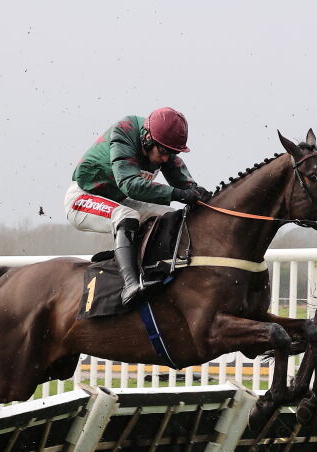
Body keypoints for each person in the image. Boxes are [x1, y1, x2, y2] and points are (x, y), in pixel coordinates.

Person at [64, 107, 212, 304]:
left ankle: (154, 269)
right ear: (147, 138)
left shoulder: (161, 143)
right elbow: (130, 185)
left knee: (169, 215)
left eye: (173, 153)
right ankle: (130, 285)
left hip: (119, 199)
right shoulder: (123, 132)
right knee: (125, 216)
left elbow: (182, 181)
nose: (166, 158)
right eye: (164, 152)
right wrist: (179, 194)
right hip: (82, 198)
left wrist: (197, 192)